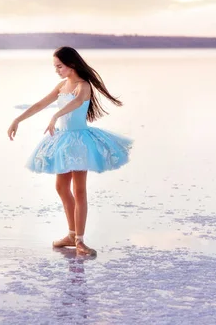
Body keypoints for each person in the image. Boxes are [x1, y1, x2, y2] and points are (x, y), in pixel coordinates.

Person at [7, 46, 132, 256]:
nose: (57, 70)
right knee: (61, 187)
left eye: (59, 66)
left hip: (79, 141)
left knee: (79, 189)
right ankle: (71, 234)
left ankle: (80, 240)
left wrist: (56, 116)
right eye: (55, 67)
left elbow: (76, 103)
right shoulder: (61, 86)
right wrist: (17, 119)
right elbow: (40, 104)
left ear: (71, 64)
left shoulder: (84, 86)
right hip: (63, 141)